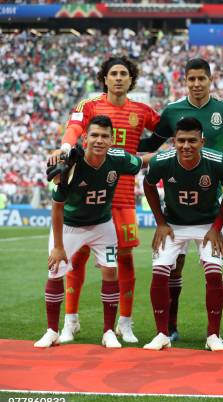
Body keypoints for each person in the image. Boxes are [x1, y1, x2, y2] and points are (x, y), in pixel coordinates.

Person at [138, 58, 223, 342]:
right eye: (191, 79)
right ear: (185, 81)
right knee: (172, 268)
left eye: (200, 78)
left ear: (210, 79)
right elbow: (151, 146)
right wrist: (112, 147)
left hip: (211, 202)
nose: (196, 84)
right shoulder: (173, 111)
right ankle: (168, 328)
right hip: (178, 200)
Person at [50, 56, 160, 344]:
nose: (119, 78)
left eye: (124, 73)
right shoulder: (90, 105)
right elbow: (74, 129)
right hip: (88, 196)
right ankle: (70, 321)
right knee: (77, 258)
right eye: (114, 73)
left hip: (122, 197)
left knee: (123, 260)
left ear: (131, 79)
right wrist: (64, 147)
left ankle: (124, 322)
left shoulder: (142, 110)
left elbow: (164, 130)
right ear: (105, 78)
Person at [35, 116, 151, 348]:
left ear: (112, 140)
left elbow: (143, 161)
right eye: (94, 135)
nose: (99, 140)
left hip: (101, 225)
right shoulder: (71, 165)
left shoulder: (118, 159)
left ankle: (108, 331)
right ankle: (51, 331)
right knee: (55, 271)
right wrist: (58, 246)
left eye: (104, 136)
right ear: (85, 138)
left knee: (111, 271)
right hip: (70, 225)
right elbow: (57, 208)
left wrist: (173, 153)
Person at [142, 117, 223, 351]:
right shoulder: (162, 161)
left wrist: (216, 228)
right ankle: (162, 333)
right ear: (173, 141)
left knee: (213, 274)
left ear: (202, 141)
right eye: (181, 140)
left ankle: (213, 335)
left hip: (208, 224)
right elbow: (148, 185)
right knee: (160, 273)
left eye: (192, 141)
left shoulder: (219, 162)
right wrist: (160, 222)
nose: (186, 146)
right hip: (173, 224)